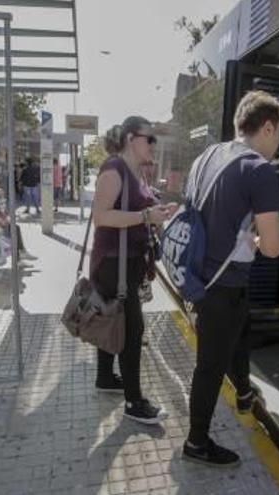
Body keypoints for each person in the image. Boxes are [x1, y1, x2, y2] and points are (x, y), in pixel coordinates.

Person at [183, 91, 279, 467]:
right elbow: (274, 247)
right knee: (209, 365)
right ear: (268, 126)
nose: (278, 145)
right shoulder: (259, 169)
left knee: (239, 334)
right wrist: (259, 240)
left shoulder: (207, 156)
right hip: (222, 285)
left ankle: (243, 390)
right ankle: (196, 441)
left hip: (199, 277)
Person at [91, 116, 177, 424]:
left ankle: (104, 378)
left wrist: (159, 213)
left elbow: (142, 210)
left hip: (128, 261)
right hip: (114, 262)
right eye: (149, 139)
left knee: (112, 318)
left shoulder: (135, 172)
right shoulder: (114, 169)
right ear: (131, 138)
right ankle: (134, 402)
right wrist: (145, 216)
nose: (154, 144)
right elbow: (102, 216)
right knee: (131, 329)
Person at [0, 173, 37, 263]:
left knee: (14, 227)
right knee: (13, 229)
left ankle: (19, 256)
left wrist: (4, 215)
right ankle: (19, 255)